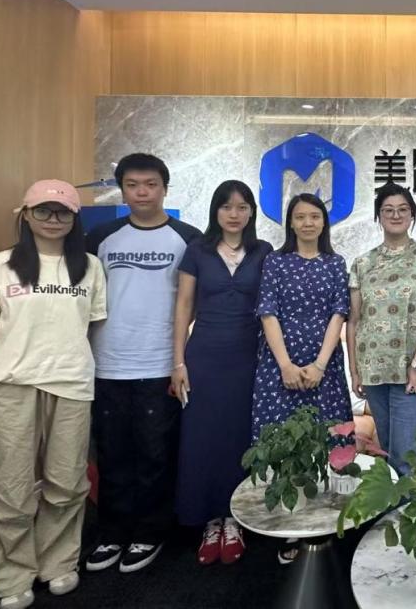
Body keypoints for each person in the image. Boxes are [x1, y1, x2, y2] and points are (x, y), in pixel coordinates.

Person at [0, 180, 106, 609]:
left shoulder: (89, 267)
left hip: (72, 384)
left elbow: (92, 324)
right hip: (9, 386)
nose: (52, 219)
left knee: (68, 482)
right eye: (43, 210)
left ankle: (57, 563)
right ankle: (10, 577)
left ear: (75, 219)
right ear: (25, 215)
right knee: (10, 487)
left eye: (62, 212)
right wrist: (18, 358)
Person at [84, 154, 201, 573]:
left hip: (160, 362)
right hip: (107, 362)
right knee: (112, 452)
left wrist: (181, 357)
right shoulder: (101, 237)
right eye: (132, 185)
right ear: (122, 190)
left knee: (156, 452)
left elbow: (194, 301)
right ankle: (112, 532)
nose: (142, 192)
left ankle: (150, 532)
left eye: (150, 184)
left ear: (164, 188)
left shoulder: (188, 238)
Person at [171, 181, 273, 565]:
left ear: (251, 213)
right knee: (202, 438)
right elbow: (183, 307)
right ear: (216, 210)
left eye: (242, 207)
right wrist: (177, 362)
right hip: (204, 357)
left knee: (239, 438)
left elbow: (272, 307)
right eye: (227, 206)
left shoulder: (263, 251)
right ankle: (209, 521)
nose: (234, 214)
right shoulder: (197, 250)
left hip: (249, 358)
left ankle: (236, 519)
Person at [251, 193, 351, 563]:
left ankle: (326, 522)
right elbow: (268, 312)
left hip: (324, 363)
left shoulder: (335, 263)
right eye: (300, 217)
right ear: (290, 223)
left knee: (327, 437)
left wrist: (320, 365)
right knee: (283, 439)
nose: (308, 223)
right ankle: (288, 524)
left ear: (324, 222)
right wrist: (286, 365)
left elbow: (339, 313)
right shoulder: (275, 262)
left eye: (314, 216)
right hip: (280, 363)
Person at [347, 183, 416, 477]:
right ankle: (391, 507)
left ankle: (408, 507)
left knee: (406, 456)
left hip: (411, 370)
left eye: (403, 209)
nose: (396, 215)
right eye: (388, 210)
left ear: (412, 215)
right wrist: (354, 371)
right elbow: (354, 320)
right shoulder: (362, 263)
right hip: (373, 370)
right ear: (379, 216)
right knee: (388, 452)